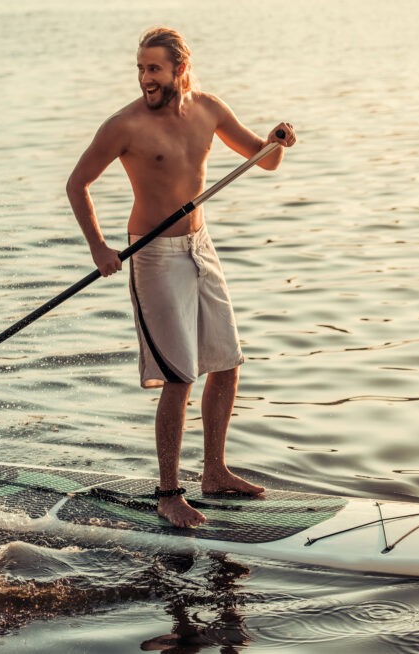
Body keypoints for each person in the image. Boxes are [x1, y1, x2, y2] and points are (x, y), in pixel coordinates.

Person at [66, 27, 296, 528]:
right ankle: (169, 492)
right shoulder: (123, 125)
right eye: (140, 69)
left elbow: (265, 160)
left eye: (154, 68)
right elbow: (77, 184)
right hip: (154, 256)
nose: (145, 78)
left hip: (200, 245)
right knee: (179, 375)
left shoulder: (210, 109)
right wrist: (99, 247)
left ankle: (214, 472)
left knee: (228, 361)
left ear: (180, 70)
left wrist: (279, 142)